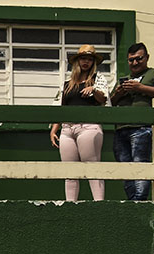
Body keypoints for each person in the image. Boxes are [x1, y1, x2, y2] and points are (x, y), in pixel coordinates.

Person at [49, 45, 110, 202]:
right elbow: (60, 107)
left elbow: (104, 99)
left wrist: (94, 89)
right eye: (83, 58)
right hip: (67, 129)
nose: (86, 62)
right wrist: (54, 129)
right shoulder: (67, 83)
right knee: (70, 172)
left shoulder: (98, 79)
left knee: (92, 167)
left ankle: (99, 206)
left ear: (93, 62)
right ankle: (70, 206)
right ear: (77, 61)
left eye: (89, 59)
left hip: (88, 127)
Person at [110, 42, 154, 201]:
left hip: (142, 127)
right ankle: (134, 201)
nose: (135, 63)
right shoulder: (124, 79)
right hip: (121, 128)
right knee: (125, 169)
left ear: (147, 58)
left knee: (141, 165)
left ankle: (140, 201)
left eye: (138, 59)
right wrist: (119, 92)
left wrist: (140, 88)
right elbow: (110, 101)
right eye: (131, 60)